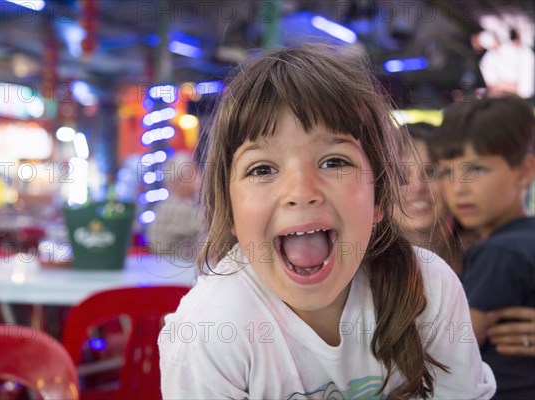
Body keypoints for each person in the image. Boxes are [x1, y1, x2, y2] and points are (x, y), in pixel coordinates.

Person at [158, 45, 495, 398]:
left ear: (379, 195)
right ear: (230, 211)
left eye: (334, 162)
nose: (301, 191)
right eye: (262, 169)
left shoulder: (428, 286)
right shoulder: (209, 330)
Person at [431, 94, 535, 398]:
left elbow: (452, 351)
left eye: (476, 170)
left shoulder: (499, 252)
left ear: (524, 171)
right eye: (447, 172)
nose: (458, 188)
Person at [394, 122, 477, 274]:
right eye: (401, 175)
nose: (418, 187)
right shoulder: (357, 271)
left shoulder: (488, 259)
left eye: (431, 172)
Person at [146, 152, 202, 261]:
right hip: (174, 269)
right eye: (193, 172)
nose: (199, 175)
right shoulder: (171, 208)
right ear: (179, 179)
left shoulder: (193, 204)